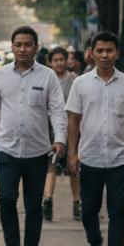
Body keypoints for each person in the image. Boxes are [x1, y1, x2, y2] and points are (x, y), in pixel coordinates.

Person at [0, 26, 67, 246]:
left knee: (33, 205)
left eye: (28, 45)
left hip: (38, 151)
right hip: (6, 149)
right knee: (6, 199)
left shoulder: (48, 76)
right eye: (18, 44)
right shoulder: (0, 76)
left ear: (36, 48)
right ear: (12, 46)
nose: (22, 49)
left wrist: (60, 139)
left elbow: (58, 112)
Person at [65, 31, 124, 246]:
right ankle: (95, 242)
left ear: (117, 53)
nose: (104, 55)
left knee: (117, 211)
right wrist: (72, 153)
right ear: (91, 53)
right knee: (88, 210)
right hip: (89, 157)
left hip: (120, 157)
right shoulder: (81, 83)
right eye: (99, 50)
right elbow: (73, 121)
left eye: (109, 50)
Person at [42, 46, 81, 221]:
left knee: (73, 166)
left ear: (67, 61)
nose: (58, 63)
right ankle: (48, 200)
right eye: (55, 60)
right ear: (50, 62)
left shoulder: (75, 80)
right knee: (51, 165)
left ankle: (77, 203)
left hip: (72, 130)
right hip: (50, 130)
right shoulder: (46, 80)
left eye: (61, 60)